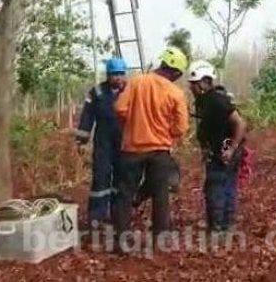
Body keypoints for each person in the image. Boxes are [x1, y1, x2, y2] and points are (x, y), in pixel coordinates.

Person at [112, 47, 189, 251]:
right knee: (160, 196)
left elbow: (119, 108)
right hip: (160, 151)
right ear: (176, 73)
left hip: (131, 149)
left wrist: (133, 123)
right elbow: (181, 128)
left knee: (125, 195)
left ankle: (121, 243)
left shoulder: (136, 81)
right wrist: (166, 130)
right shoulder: (175, 92)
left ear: (162, 63)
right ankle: (160, 242)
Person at [187, 60, 247, 233]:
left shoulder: (218, 101)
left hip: (226, 151)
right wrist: (205, 147)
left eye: (194, 84)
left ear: (205, 82)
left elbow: (240, 124)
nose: (192, 88)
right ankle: (225, 224)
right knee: (226, 185)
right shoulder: (203, 102)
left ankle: (218, 227)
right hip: (219, 150)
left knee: (216, 187)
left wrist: (231, 149)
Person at [75, 57, 127, 227]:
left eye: (120, 74)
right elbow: (87, 116)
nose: (118, 78)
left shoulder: (130, 91)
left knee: (122, 178)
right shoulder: (96, 92)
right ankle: (97, 216)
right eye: (114, 74)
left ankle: (118, 215)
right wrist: (82, 140)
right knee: (100, 178)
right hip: (103, 141)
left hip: (125, 141)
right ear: (108, 75)